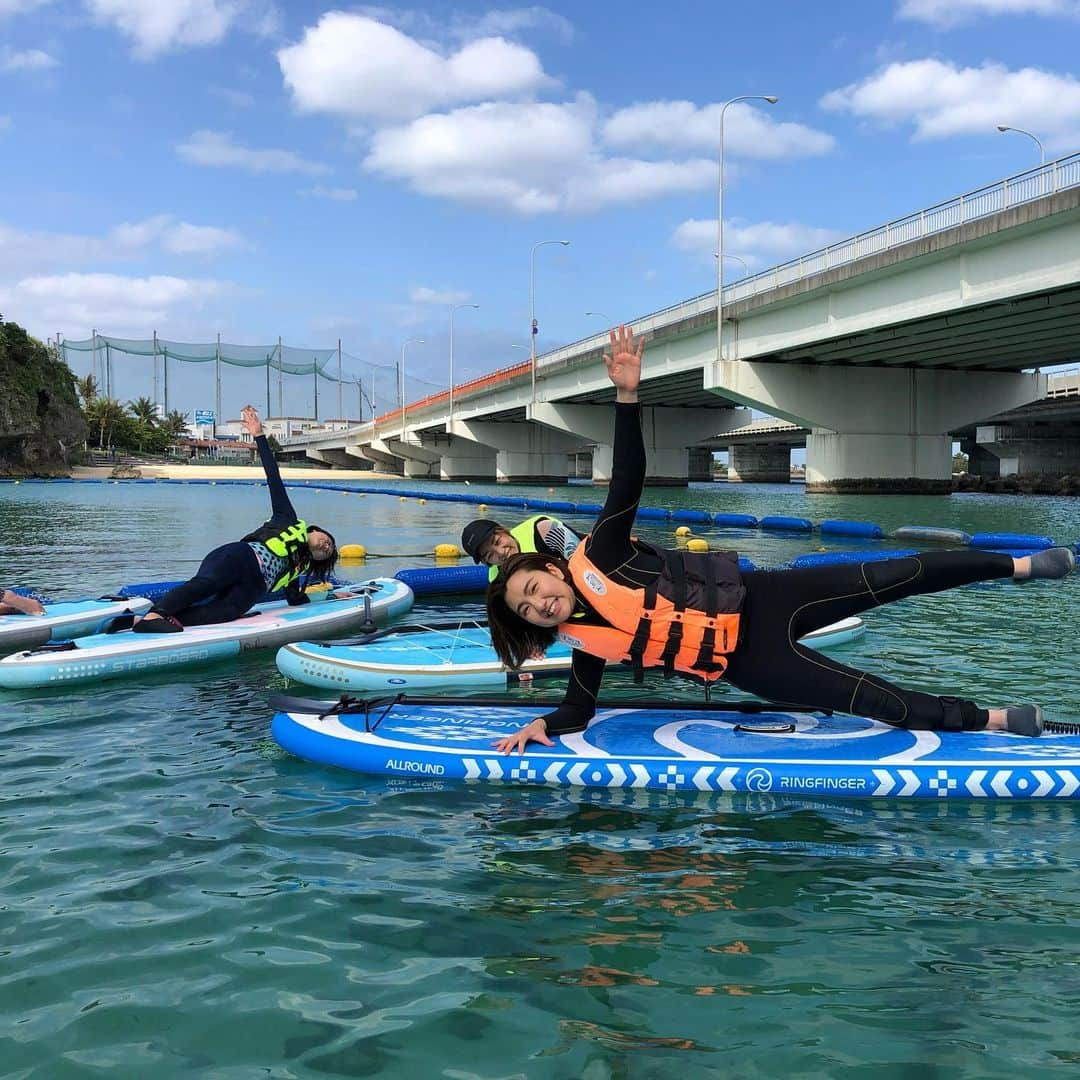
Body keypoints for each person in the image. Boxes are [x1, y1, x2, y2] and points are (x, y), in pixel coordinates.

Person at [485, 325, 1075, 754]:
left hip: (768, 596)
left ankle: (1020, 566)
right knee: (877, 702)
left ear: (554, 572)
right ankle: (996, 719)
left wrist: (628, 398)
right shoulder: (586, 643)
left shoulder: (602, 556)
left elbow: (629, 477)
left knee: (901, 573)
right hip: (752, 663)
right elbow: (578, 709)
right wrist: (544, 724)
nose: (539, 604)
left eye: (534, 587)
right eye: (527, 610)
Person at [127, 405, 338, 633]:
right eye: (328, 539)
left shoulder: (295, 570)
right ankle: (156, 614)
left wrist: (335, 597)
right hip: (241, 558)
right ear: (315, 530)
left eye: (328, 550)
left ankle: (139, 622)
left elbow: (295, 600)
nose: (327, 545)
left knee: (223, 612)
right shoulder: (287, 519)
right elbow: (274, 479)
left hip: (251, 589)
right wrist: (259, 435)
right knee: (207, 585)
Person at [462, 515, 583, 581]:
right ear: (486, 562)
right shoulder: (497, 580)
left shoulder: (544, 530)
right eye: (490, 555)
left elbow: (585, 564)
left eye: (497, 541)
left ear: (503, 531)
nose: (501, 552)